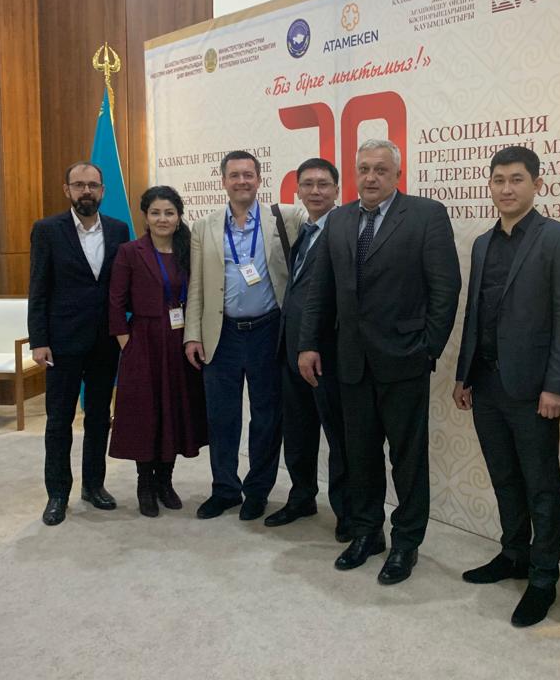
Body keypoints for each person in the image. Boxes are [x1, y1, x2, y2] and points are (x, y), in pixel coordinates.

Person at [299, 138, 461, 585]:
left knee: (407, 460)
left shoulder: (426, 215)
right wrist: (309, 343)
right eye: (364, 169)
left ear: (397, 175)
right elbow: (320, 288)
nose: (370, 177)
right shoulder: (339, 219)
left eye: (380, 170)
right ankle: (367, 532)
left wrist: (428, 348)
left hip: (405, 359)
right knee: (360, 455)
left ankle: (406, 542)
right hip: (350, 360)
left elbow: (445, 288)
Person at [453, 146, 560, 627]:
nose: (506, 189)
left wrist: (556, 385)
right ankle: (514, 554)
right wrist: (464, 374)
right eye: (498, 180)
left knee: (541, 485)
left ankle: (544, 578)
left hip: (532, 389)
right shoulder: (482, 244)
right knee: (504, 476)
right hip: (486, 382)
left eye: (516, 180)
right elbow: (475, 314)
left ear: (537, 184)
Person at [184, 150, 305, 522]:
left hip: (269, 331)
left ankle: (257, 491)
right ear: (223, 181)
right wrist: (192, 334)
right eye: (234, 175)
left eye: (248, 175)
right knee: (222, 417)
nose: (242, 181)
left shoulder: (284, 218)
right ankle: (224, 489)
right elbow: (197, 286)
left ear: (258, 179)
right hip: (221, 334)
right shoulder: (204, 227)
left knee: (267, 417)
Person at [28, 161, 130, 526]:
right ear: (67, 190)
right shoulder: (47, 230)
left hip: (105, 341)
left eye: (93, 185)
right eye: (79, 185)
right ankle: (57, 493)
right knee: (59, 420)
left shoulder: (118, 230)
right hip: (62, 343)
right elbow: (38, 288)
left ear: (103, 191)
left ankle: (94, 485)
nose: (86, 191)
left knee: (99, 417)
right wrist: (39, 341)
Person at [108, 186, 208, 517]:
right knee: (145, 413)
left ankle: (165, 481)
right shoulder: (130, 252)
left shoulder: (189, 250)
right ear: (146, 217)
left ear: (179, 217)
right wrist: (127, 343)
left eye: (169, 213)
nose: (162, 219)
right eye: (155, 213)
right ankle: (145, 485)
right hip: (144, 341)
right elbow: (115, 302)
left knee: (175, 411)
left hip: (181, 341)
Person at [265, 158, 350, 540]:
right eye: (308, 184)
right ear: (297, 190)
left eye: (323, 184)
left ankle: (347, 511)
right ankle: (301, 497)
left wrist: (314, 343)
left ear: (337, 189)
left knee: (339, 438)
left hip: (327, 354)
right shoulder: (305, 230)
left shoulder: (345, 230)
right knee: (298, 432)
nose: (315, 191)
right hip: (291, 350)